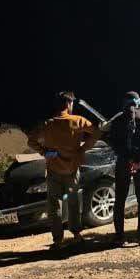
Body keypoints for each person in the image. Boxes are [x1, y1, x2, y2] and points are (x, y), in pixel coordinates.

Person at [28, 91, 100, 248]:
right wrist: (83, 148)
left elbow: (31, 141)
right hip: (72, 169)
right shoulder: (76, 121)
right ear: (68, 104)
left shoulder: (48, 124)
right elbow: (96, 132)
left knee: (54, 205)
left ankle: (58, 240)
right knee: (73, 202)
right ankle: (76, 234)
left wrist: (44, 152)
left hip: (54, 170)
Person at [105, 91, 140, 245]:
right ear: (138, 102)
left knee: (120, 199)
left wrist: (127, 160)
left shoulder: (117, 120)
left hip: (123, 163)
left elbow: (113, 143)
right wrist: (139, 161)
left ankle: (119, 237)